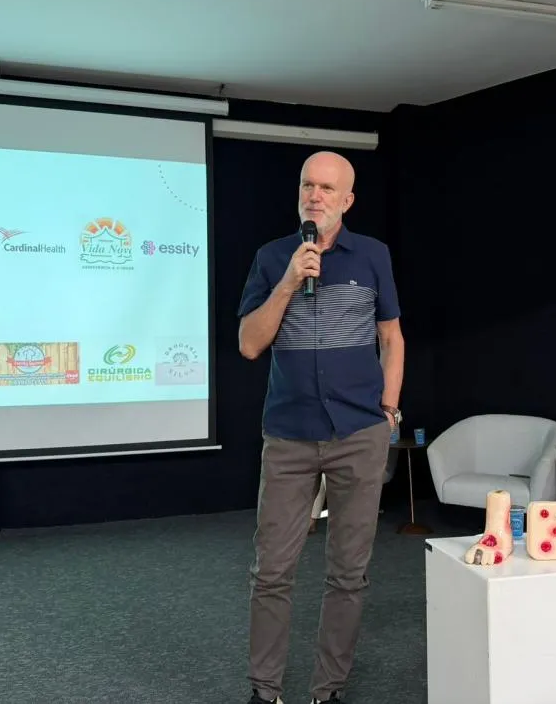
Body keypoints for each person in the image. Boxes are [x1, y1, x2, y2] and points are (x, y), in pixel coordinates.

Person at [237, 151, 405, 704]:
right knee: (272, 571)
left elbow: (391, 337)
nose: (315, 195)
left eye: (328, 188)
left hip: (359, 433)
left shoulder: (373, 255)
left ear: (347, 200)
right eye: (308, 185)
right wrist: (288, 281)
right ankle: (265, 690)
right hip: (289, 436)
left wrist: (388, 410)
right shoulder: (272, 258)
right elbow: (250, 344)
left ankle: (328, 690)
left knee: (348, 573)